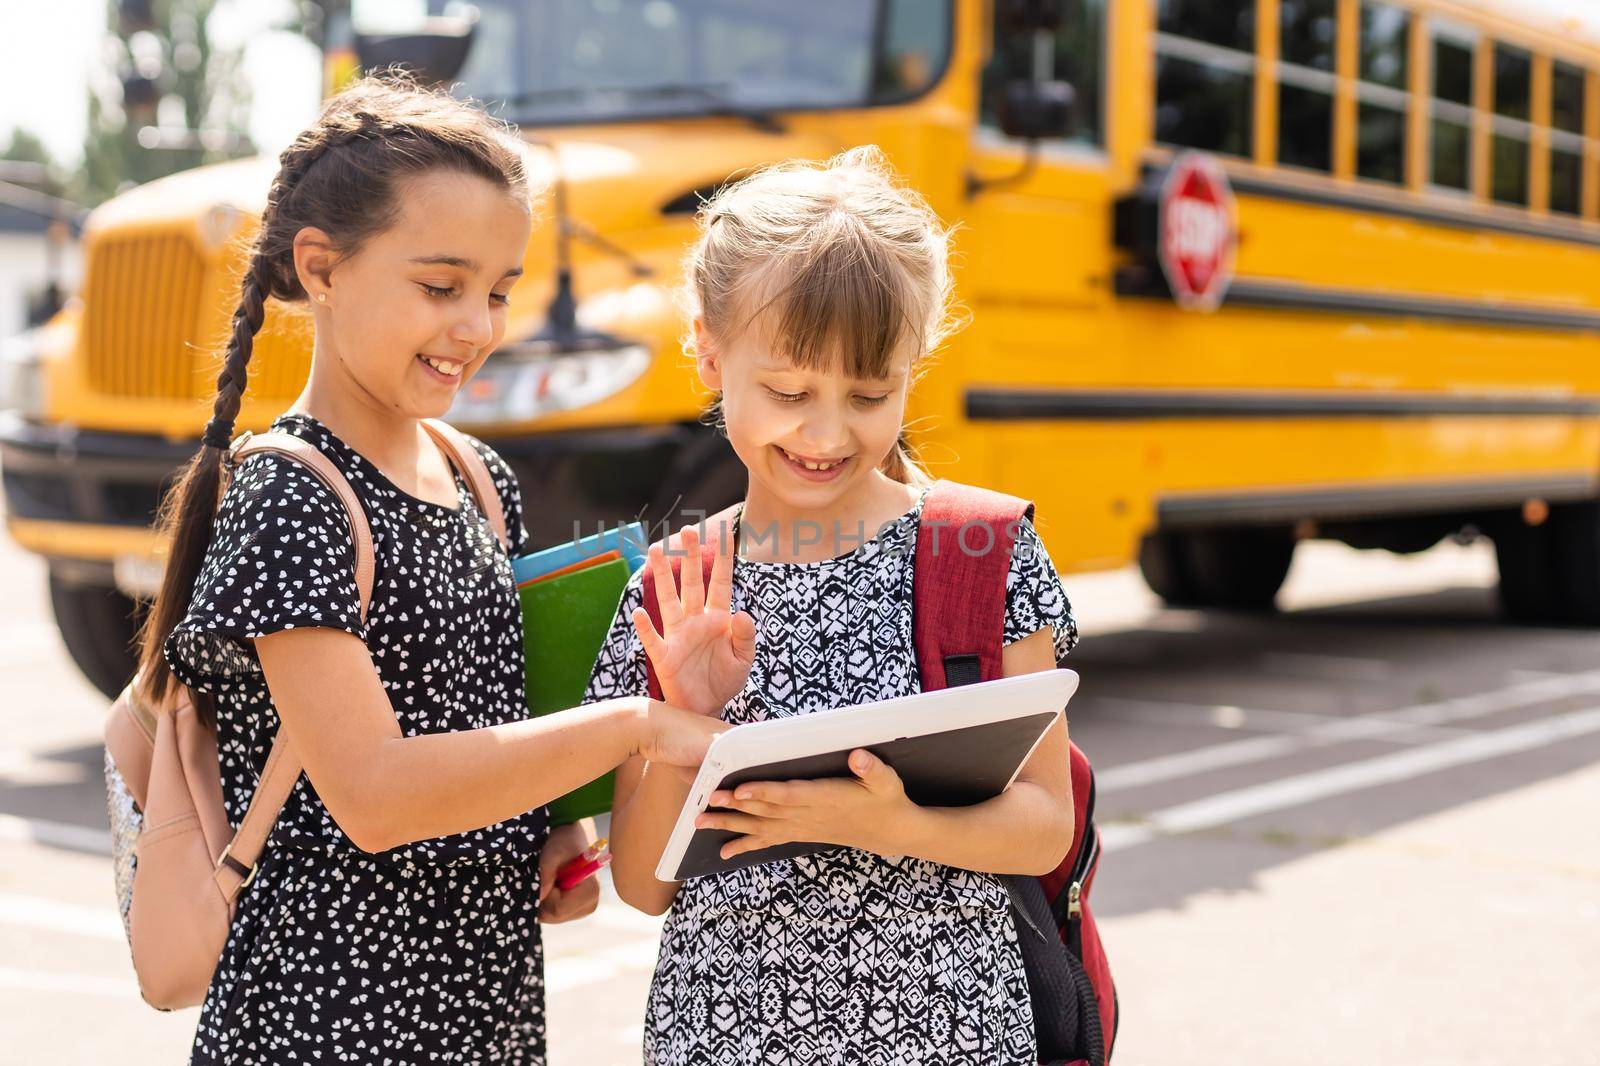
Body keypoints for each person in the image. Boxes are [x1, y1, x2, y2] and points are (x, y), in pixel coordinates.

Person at [134, 75, 720, 1065]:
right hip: (321, 1023)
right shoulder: (293, 497)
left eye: (498, 291)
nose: (477, 327)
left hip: (481, 1011)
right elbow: (376, 794)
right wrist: (629, 725)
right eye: (440, 287)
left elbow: (481, 720)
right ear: (319, 268)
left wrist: (552, 829)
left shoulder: (478, 476)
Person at [586, 147, 1081, 1065]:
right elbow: (643, 885)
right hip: (723, 1037)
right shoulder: (673, 581)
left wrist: (892, 827)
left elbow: (1049, 823)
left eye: (870, 394)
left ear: (913, 368)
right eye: (787, 392)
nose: (825, 433)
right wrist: (680, 714)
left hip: (950, 1036)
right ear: (708, 349)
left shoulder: (982, 549)